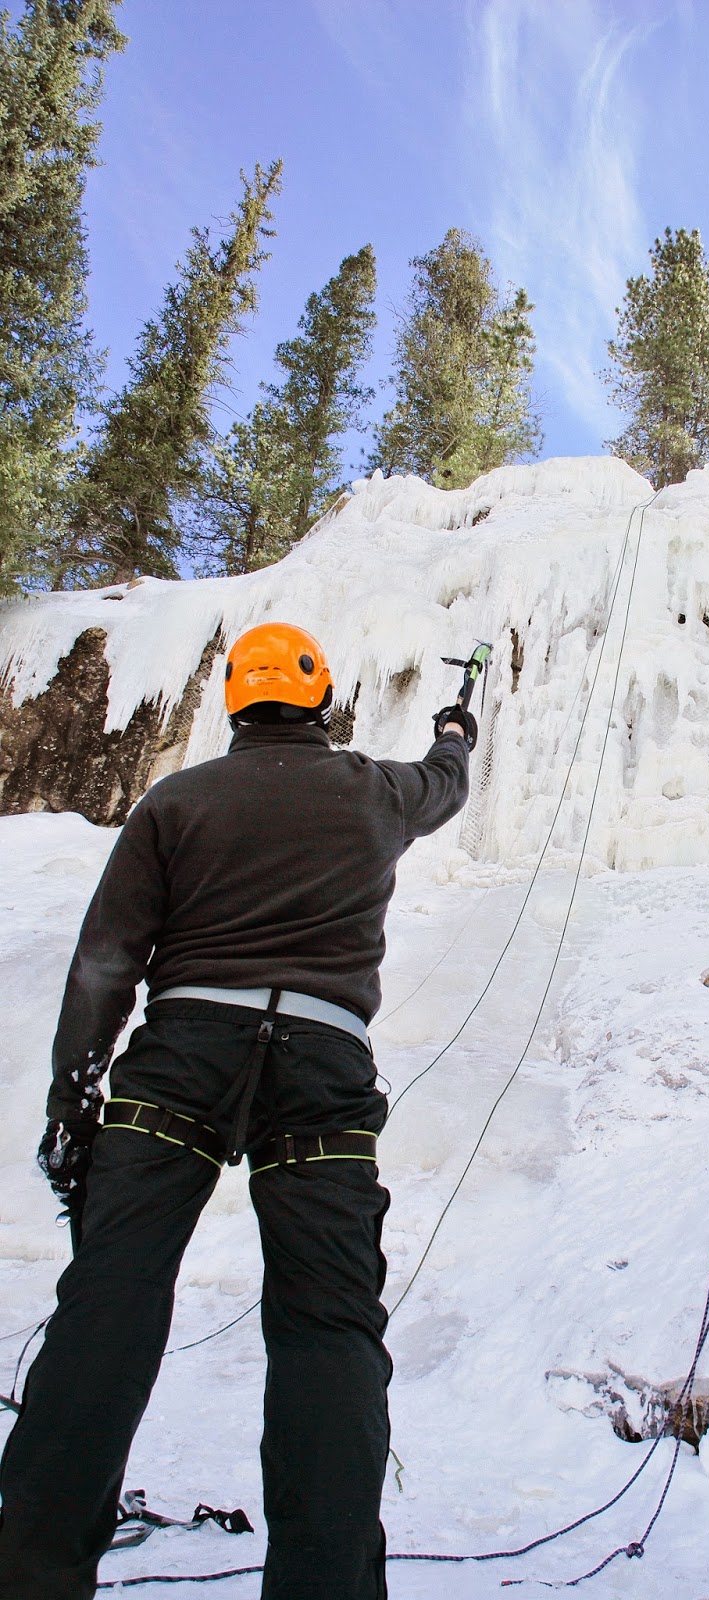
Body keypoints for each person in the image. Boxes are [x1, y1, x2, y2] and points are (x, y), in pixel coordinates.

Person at [0, 621, 475, 1600]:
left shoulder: (175, 801)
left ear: (234, 705)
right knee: (329, 1328)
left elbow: (106, 961)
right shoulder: (374, 789)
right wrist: (456, 732)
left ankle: (31, 1577)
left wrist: (72, 1098)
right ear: (319, 699)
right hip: (323, 1072)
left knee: (108, 1310)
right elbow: (446, 785)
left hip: (178, 1062)